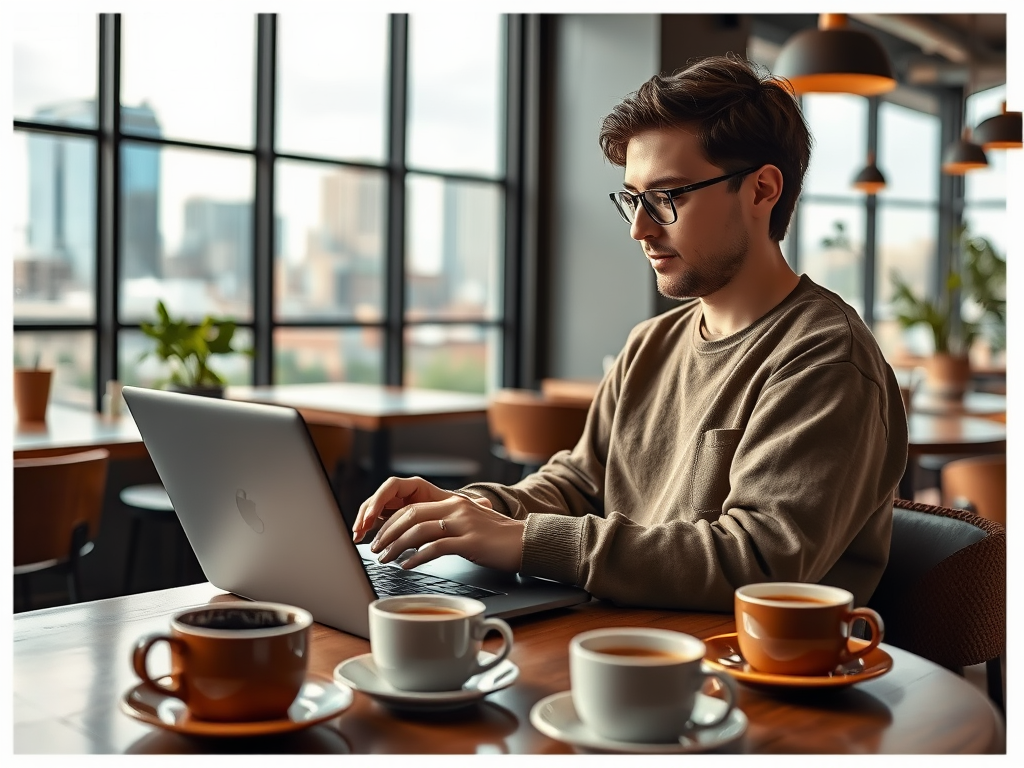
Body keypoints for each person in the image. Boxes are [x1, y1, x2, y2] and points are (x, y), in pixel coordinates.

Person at [352, 54, 909, 612]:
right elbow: (579, 485)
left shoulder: (825, 357)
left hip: (747, 668)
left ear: (762, 190)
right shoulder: (651, 343)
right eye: (633, 199)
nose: (641, 228)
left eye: (667, 197)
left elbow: (758, 563)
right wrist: (465, 510)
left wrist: (520, 541)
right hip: (628, 635)